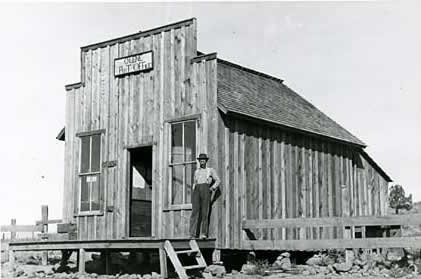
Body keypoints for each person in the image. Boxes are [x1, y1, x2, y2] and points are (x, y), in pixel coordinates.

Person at [189, 153, 221, 239]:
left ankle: (203, 234)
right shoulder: (196, 171)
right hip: (197, 191)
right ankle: (192, 234)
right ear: (199, 161)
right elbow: (194, 183)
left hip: (206, 190)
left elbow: (218, 180)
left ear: (206, 161)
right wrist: (194, 191)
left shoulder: (210, 170)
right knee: (194, 212)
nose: (202, 161)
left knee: (205, 213)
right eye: (200, 160)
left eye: (203, 160)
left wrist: (212, 188)